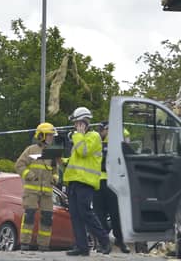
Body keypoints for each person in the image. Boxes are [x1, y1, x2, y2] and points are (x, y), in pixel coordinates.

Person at [63, 107, 110, 256]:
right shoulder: (81, 138)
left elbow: (83, 152)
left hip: (85, 182)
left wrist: (78, 135)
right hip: (74, 181)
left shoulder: (93, 136)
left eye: (77, 123)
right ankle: (81, 247)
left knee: (86, 213)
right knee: (75, 215)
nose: (75, 126)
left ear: (83, 122)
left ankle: (104, 241)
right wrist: (61, 161)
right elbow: (75, 159)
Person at [15, 122, 59, 251]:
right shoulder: (31, 150)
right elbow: (19, 165)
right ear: (41, 136)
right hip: (32, 191)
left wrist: (55, 178)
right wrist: (29, 174)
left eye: (52, 135)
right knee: (29, 216)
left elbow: (55, 171)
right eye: (49, 135)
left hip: (47, 192)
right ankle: (24, 243)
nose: (51, 137)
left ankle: (44, 245)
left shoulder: (53, 152)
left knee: (47, 218)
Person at [94, 121, 130, 254]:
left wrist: (115, 130)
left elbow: (126, 137)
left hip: (112, 181)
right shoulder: (96, 140)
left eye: (102, 129)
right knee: (99, 215)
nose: (100, 132)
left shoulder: (116, 138)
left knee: (116, 214)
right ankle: (103, 242)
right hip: (97, 182)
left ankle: (120, 240)